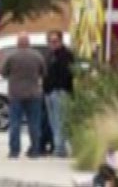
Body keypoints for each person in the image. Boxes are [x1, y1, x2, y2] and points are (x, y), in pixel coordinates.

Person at [1, 34, 48, 159]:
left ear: (18, 43)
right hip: (34, 93)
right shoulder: (37, 56)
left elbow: (4, 72)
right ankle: (35, 150)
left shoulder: (11, 56)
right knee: (34, 123)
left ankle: (14, 151)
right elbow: (44, 72)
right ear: (29, 43)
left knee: (15, 123)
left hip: (16, 93)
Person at [42, 30, 74, 158]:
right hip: (49, 92)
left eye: (55, 41)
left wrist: (59, 86)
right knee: (53, 122)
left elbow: (67, 74)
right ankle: (59, 146)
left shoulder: (66, 55)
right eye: (50, 41)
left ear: (61, 41)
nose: (52, 43)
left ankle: (60, 149)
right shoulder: (49, 55)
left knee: (60, 120)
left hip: (60, 91)